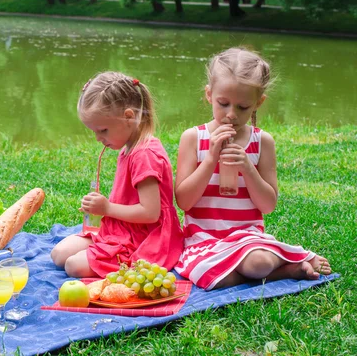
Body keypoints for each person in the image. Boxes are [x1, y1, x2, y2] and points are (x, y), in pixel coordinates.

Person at [174, 47, 332, 290]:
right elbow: (184, 202)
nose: (231, 115)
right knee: (210, 277)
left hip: (247, 238)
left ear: (258, 103)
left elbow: (267, 205)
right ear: (208, 94)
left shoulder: (262, 142)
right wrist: (209, 160)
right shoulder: (193, 138)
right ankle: (287, 270)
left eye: (243, 107)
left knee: (257, 263)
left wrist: (248, 167)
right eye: (223, 103)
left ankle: (290, 258)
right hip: (203, 238)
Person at [51, 72, 184, 278]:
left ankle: (111, 257)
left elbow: (150, 213)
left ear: (129, 117)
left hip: (146, 237)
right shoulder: (127, 147)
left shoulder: (144, 154)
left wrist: (107, 208)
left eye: (103, 130)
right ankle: (103, 250)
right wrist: (101, 208)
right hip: (121, 229)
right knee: (58, 254)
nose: (98, 138)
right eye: (94, 131)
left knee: (73, 266)